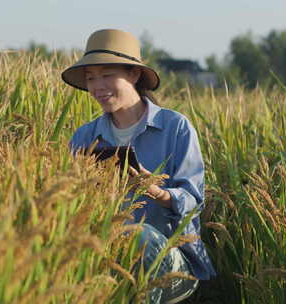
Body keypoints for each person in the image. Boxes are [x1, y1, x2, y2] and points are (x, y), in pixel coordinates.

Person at [62, 29, 216, 303]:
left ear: (133, 74)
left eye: (107, 75)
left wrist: (156, 192)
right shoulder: (84, 137)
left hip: (170, 261)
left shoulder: (175, 127)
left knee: (138, 236)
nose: (97, 86)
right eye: (91, 78)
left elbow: (193, 200)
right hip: (105, 255)